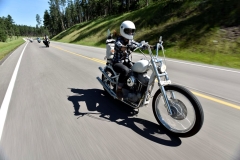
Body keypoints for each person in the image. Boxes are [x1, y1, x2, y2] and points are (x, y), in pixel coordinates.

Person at [112, 20, 141, 100]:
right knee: (126, 71)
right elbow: (120, 47)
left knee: (137, 69)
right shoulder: (119, 40)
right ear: (123, 30)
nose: (130, 33)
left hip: (126, 61)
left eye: (132, 31)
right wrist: (128, 47)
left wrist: (152, 46)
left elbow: (138, 44)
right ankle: (119, 90)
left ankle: (132, 87)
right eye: (128, 31)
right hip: (117, 62)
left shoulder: (130, 40)